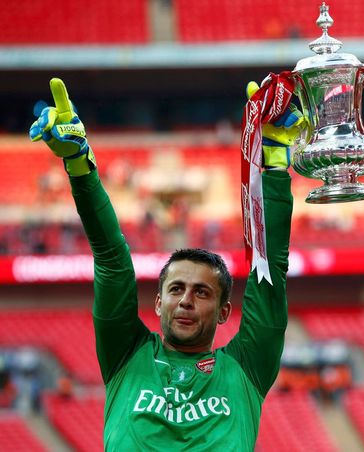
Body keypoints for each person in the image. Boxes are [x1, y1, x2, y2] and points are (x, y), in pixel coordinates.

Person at [29, 77, 300, 449]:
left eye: (201, 292)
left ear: (224, 312)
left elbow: (271, 265)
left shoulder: (247, 367)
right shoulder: (126, 353)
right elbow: (112, 260)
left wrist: (274, 162)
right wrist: (78, 164)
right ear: (158, 302)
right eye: (176, 289)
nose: (186, 300)